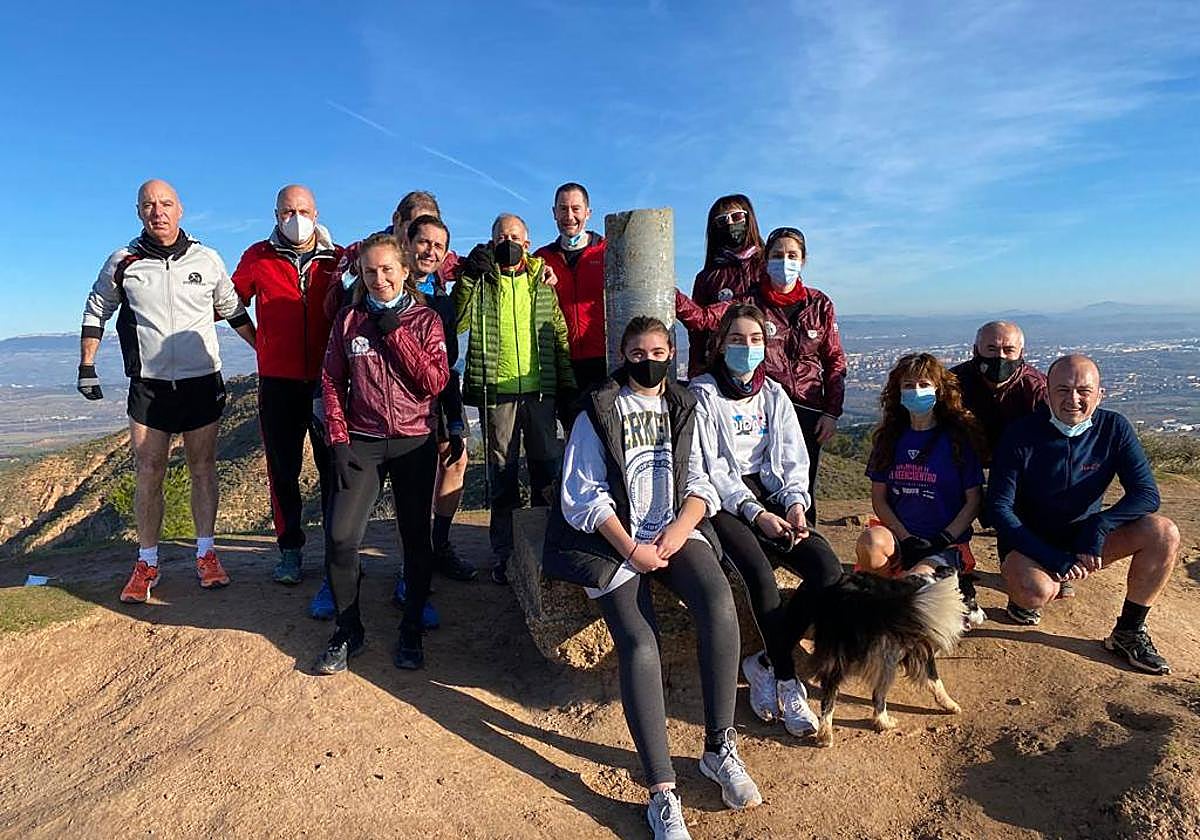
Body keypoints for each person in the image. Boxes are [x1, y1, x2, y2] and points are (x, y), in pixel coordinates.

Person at [543, 316, 761, 839]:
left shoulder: (685, 405)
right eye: (638, 353)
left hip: (673, 528)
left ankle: (718, 746)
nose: (648, 362)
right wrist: (631, 549)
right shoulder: (599, 410)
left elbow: (701, 479)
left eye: (658, 351)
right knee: (640, 642)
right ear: (623, 354)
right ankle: (662, 791)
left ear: (673, 353)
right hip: (613, 536)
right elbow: (583, 495)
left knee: (717, 600)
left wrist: (680, 530)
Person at [79, 179, 256, 603]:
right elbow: (97, 308)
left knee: (203, 467)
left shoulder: (207, 259)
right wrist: (86, 364)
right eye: (148, 205)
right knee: (149, 471)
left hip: (201, 383)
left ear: (180, 210)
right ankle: (147, 561)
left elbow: (233, 310)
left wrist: (266, 354)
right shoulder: (123, 261)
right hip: (150, 387)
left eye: (166, 204)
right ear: (139, 212)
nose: (158, 211)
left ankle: (207, 554)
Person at [689, 304, 843, 737]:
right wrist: (755, 513)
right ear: (720, 345)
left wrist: (795, 505)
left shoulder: (774, 393)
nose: (747, 347)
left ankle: (761, 663)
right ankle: (786, 678)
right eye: (737, 339)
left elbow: (794, 457)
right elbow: (711, 468)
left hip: (774, 495)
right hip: (728, 502)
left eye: (755, 339)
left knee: (827, 570)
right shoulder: (702, 394)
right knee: (758, 574)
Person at [988, 355, 1179, 674]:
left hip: (1084, 541)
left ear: (1099, 394)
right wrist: (1049, 557)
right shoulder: (1020, 434)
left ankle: (1129, 632)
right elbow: (999, 508)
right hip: (1028, 542)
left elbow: (1146, 494)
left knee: (1163, 532)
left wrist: (1100, 525)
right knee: (1036, 593)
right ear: (1046, 393)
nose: (1073, 400)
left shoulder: (1113, 428)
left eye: (1083, 390)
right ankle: (1022, 600)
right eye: (1062, 390)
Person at [313, 232, 449, 674]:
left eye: (388, 269)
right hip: (363, 440)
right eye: (370, 271)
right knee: (339, 537)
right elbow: (332, 379)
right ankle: (347, 629)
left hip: (414, 441)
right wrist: (337, 436)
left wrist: (394, 332)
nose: (379, 279)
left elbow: (433, 381)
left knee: (415, 536)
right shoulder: (349, 321)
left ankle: (410, 627)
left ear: (405, 270)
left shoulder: (426, 321)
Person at [452, 213, 575, 585]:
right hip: (498, 391)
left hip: (539, 391)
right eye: (502, 236)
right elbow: (456, 321)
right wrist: (471, 274)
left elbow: (558, 331)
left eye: (516, 235)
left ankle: (545, 548)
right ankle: (505, 553)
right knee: (501, 475)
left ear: (527, 240)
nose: (509, 241)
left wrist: (566, 384)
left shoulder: (541, 280)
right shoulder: (482, 280)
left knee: (546, 470)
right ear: (491, 242)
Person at [231, 184, 342, 584]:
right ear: (276, 215)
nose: (296, 219)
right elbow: (229, 300)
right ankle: (290, 550)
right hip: (278, 381)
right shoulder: (257, 256)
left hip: (328, 380)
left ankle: (337, 551)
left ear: (316, 212)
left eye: (304, 210)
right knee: (283, 468)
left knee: (334, 468)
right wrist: (257, 338)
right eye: (287, 211)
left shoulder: (339, 258)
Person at [855, 353, 988, 624]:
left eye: (924, 384)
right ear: (898, 392)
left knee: (913, 585)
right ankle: (883, 607)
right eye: (908, 385)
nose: (916, 391)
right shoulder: (889, 439)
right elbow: (879, 498)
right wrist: (904, 537)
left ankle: (954, 593)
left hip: (947, 542)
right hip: (900, 537)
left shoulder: (957, 440)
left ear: (939, 390)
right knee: (870, 543)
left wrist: (944, 537)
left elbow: (973, 500)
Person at [534, 182, 608, 423]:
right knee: (573, 434)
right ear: (554, 212)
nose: (569, 216)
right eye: (563, 209)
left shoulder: (607, 251)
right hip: (563, 364)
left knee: (606, 434)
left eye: (576, 209)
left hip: (604, 360)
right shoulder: (541, 258)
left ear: (588, 212)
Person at [684, 194, 767, 378]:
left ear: (749, 219)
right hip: (723, 374)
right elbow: (698, 336)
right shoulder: (708, 277)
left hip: (772, 372)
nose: (730, 224)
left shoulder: (768, 266)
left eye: (736, 217)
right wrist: (696, 375)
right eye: (722, 221)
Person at [951, 320, 1047, 455]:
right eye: (991, 349)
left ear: (1021, 353)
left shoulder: (1038, 388)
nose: (1000, 356)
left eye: (1009, 350)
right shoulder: (953, 383)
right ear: (975, 350)